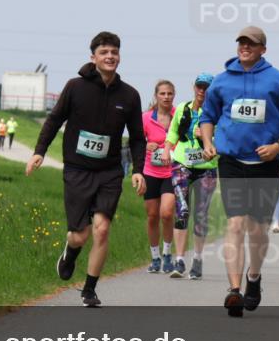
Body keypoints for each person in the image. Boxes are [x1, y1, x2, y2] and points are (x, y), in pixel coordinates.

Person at [26, 31, 146, 307]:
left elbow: (138, 137)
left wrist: (138, 169)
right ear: (93, 57)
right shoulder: (75, 87)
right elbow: (54, 120)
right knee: (80, 234)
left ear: (119, 57)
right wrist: (38, 152)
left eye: (114, 52)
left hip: (110, 172)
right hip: (78, 170)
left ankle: (89, 289)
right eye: (104, 52)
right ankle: (70, 252)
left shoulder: (129, 95)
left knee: (102, 229)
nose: (110, 56)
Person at [200, 26, 279, 317]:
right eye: (241, 42)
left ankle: (254, 278)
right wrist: (208, 142)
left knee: (257, 229)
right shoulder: (221, 82)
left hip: (266, 164)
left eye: (252, 43)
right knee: (235, 224)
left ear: (263, 49)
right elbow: (207, 117)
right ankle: (234, 291)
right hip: (231, 161)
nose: (245, 47)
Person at [162, 73, 218, 279]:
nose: (202, 91)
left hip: (207, 166)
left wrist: (208, 137)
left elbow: (223, 138)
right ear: (194, 87)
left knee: (201, 216)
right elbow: (173, 132)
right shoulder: (183, 110)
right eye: (200, 86)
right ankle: (179, 260)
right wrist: (167, 148)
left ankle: (198, 259)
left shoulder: (218, 113)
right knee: (182, 211)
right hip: (182, 162)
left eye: (207, 87)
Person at [142, 80, 177, 274]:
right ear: (156, 96)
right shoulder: (146, 118)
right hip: (150, 172)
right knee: (153, 216)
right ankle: (155, 257)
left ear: (174, 95)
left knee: (166, 213)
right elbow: (137, 142)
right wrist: (147, 146)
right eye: (162, 93)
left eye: (169, 93)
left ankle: (167, 255)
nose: (166, 97)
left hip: (172, 172)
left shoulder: (178, 116)